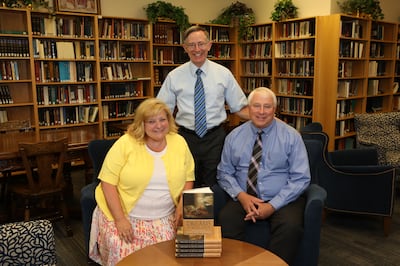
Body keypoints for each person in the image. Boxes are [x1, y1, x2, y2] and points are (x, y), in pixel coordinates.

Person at [88, 98, 195, 265]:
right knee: (125, 257)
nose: (158, 126)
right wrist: (120, 219)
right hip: (125, 215)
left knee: (169, 258)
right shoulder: (125, 143)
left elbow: (189, 177)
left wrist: (182, 204)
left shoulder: (179, 142)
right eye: (151, 121)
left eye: (162, 119)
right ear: (141, 124)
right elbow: (107, 183)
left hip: (164, 217)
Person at [216, 87, 311, 264]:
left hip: (282, 198)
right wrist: (242, 196)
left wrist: (273, 206)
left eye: (267, 106)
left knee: (290, 227)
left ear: (274, 109)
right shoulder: (234, 136)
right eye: (256, 106)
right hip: (244, 196)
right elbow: (224, 172)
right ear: (248, 108)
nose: (261, 112)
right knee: (226, 219)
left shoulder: (291, 136)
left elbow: (301, 178)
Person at [157, 25, 249, 188]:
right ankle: (189, 214)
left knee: (214, 183)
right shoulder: (174, 76)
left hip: (215, 138)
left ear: (209, 45)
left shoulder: (224, 74)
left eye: (201, 43)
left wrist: (268, 119)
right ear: (185, 48)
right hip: (185, 138)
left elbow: (240, 108)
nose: (197, 49)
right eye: (191, 45)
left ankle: (211, 214)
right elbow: (161, 111)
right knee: (186, 181)